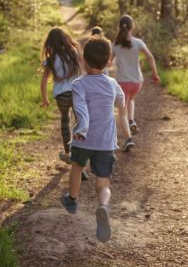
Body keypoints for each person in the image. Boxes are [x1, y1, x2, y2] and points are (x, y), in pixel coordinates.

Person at [61, 37, 125, 243]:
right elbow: (121, 101)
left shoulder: (79, 84)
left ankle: (72, 200)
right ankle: (103, 206)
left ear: (83, 61)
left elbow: (79, 106)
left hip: (82, 138)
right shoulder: (112, 83)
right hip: (105, 141)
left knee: (77, 167)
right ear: (109, 63)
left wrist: (83, 127)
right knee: (103, 182)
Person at [111, 15, 160, 151]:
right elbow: (150, 57)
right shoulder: (138, 42)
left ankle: (128, 139)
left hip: (122, 82)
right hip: (137, 82)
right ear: (132, 28)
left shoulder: (115, 44)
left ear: (119, 27)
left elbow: (108, 62)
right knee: (131, 99)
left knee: (121, 112)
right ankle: (132, 120)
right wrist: (155, 74)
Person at [40, 27, 83, 166]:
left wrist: (45, 99)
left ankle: (68, 152)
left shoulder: (50, 59)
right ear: (66, 38)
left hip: (61, 96)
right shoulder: (73, 53)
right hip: (76, 92)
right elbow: (83, 71)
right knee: (79, 121)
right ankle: (81, 150)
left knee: (65, 120)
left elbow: (44, 81)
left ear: (50, 43)